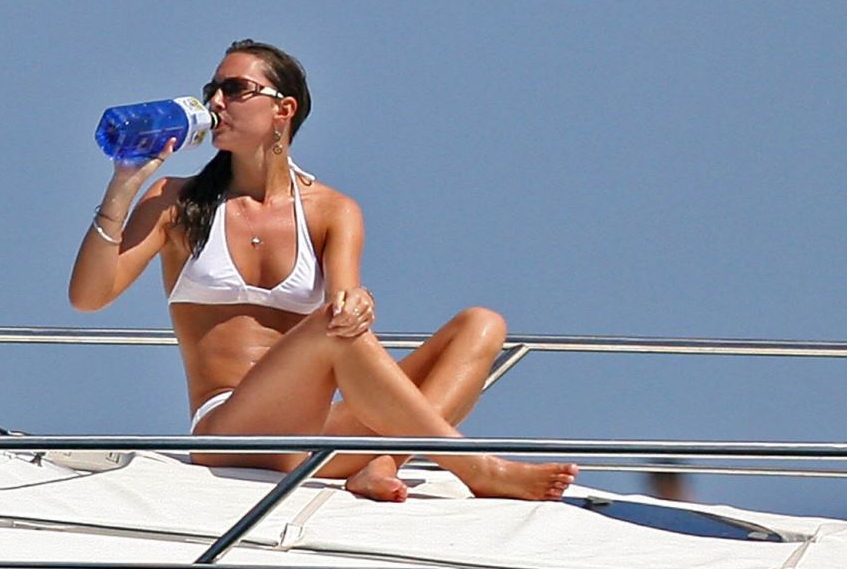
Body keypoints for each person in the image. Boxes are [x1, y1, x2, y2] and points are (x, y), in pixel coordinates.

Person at [69, 39, 578, 502]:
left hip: (310, 432)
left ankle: (384, 461)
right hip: (229, 432)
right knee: (331, 328)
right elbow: (89, 297)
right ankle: (475, 467)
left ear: (283, 109)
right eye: (212, 90)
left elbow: (344, 309)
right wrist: (124, 185)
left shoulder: (332, 210)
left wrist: (359, 303)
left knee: (481, 325)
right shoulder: (178, 200)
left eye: (235, 89)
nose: (216, 102)